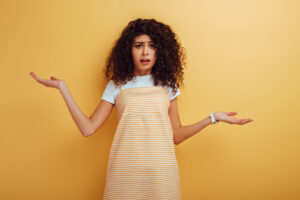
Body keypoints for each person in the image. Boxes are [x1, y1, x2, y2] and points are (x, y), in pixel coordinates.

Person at [30, 18, 253, 199]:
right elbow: (88, 128)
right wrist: (63, 89)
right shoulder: (117, 84)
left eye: (151, 46)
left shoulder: (168, 85)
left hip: (162, 175)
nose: (145, 52)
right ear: (129, 50)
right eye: (138, 46)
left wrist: (213, 118)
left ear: (160, 51)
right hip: (125, 175)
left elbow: (176, 135)